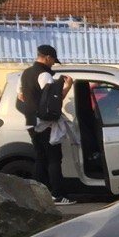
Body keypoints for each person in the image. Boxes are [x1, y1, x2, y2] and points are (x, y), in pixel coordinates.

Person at [17, 44, 73, 203]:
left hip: (31, 121)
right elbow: (53, 102)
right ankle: (58, 195)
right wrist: (68, 87)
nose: (53, 63)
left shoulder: (25, 73)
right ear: (47, 57)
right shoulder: (44, 75)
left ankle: (38, 194)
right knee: (54, 159)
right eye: (53, 60)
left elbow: (20, 96)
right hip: (45, 123)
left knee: (41, 158)